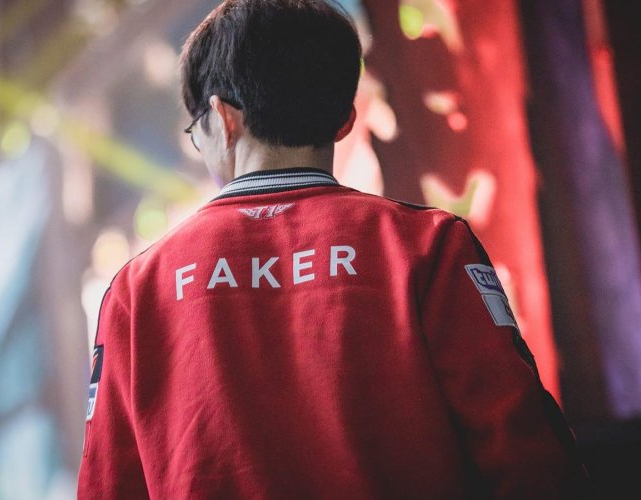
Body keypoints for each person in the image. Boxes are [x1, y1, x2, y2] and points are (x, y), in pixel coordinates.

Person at [77, 0, 588, 498]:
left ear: (223, 119)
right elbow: (528, 457)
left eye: (196, 132)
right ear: (345, 118)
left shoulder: (136, 291)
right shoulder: (427, 245)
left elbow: (107, 485)